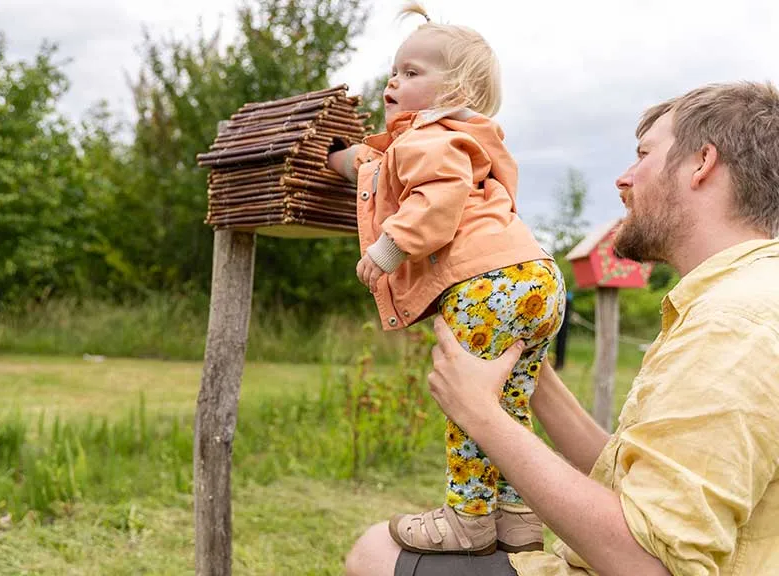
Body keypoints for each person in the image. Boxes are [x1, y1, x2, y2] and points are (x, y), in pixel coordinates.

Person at [344, 80, 779, 576]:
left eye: (643, 155)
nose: (623, 178)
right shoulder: (734, 298)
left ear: (701, 163)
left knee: (374, 553)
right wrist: (524, 357)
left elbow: (650, 564)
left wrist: (481, 412)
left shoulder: (733, 326)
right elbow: (630, 479)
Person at [326, 2, 566, 556]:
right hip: (536, 280)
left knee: (470, 402)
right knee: (508, 403)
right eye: (395, 69)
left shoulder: (428, 139)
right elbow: (375, 165)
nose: (394, 79)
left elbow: (437, 197)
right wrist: (339, 158)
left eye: (413, 73)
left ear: (453, 92)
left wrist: (388, 249)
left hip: (487, 286)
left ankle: (467, 520)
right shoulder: (467, 137)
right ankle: (518, 517)